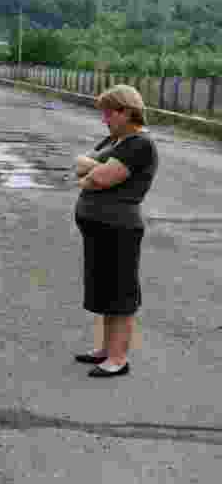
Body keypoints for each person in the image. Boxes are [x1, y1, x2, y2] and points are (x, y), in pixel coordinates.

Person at [73, 85, 158, 378]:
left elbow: (100, 178)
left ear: (126, 111)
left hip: (119, 228)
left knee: (120, 294)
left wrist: (90, 174)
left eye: (109, 112)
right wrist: (89, 173)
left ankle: (118, 359)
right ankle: (106, 349)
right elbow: (80, 167)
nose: (104, 118)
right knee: (106, 291)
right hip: (100, 228)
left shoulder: (139, 144)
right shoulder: (116, 140)